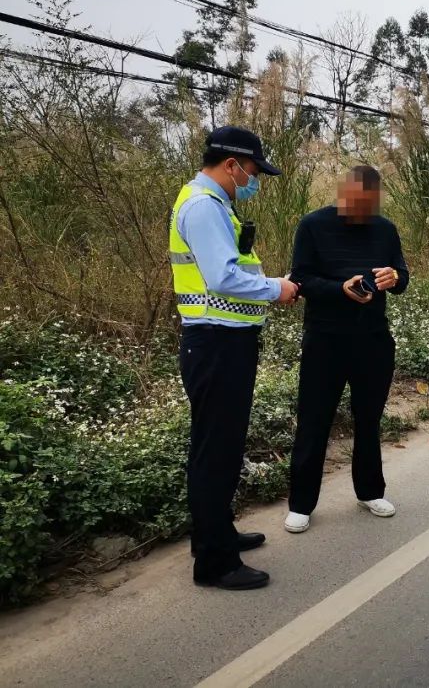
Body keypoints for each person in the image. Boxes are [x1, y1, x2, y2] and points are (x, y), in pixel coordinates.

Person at [172, 125, 299, 590]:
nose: (254, 181)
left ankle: (215, 533)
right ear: (231, 165)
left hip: (220, 342)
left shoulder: (211, 202)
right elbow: (224, 277)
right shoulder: (204, 207)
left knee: (215, 447)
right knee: (217, 452)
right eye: (252, 172)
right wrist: (276, 288)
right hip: (217, 343)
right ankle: (215, 563)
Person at [285, 165, 409, 534]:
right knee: (314, 421)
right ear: (344, 194)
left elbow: (401, 275)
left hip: (373, 340)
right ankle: (301, 504)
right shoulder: (313, 225)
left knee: (368, 420)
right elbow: (300, 280)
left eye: (369, 205)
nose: (362, 211)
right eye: (356, 203)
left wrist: (394, 277)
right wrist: (340, 289)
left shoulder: (385, 229)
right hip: (325, 340)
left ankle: (370, 491)